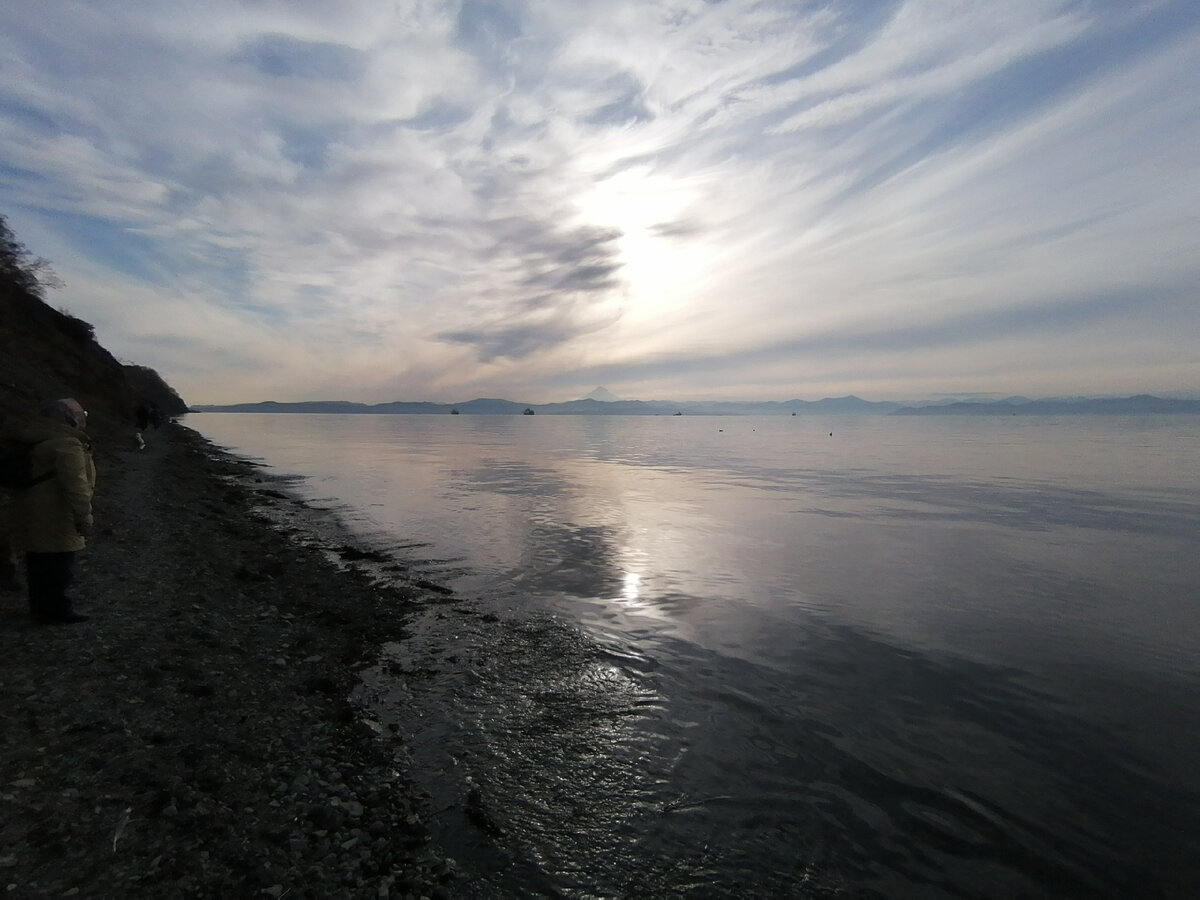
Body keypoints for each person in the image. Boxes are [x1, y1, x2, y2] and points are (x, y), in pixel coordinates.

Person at [9, 398, 96, 624]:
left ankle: (39, 607)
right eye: (81, 414)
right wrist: (84, 517)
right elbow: (76, 485)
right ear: (71, 420)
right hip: (56, 514)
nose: (84, 419)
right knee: (60, 566)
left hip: (30, 509)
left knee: (38, 562)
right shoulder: (67, 444)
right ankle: (56, 610)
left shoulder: (35, 437)